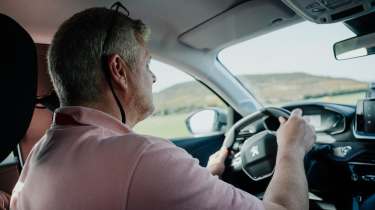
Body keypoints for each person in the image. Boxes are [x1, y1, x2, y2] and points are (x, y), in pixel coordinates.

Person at [10, 7, 315, 210]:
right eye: (147, 64)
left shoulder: (39, 156)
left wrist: (204, 177)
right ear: (118, 70)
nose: (153, 77)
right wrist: (291, 147)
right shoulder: (142, 158)